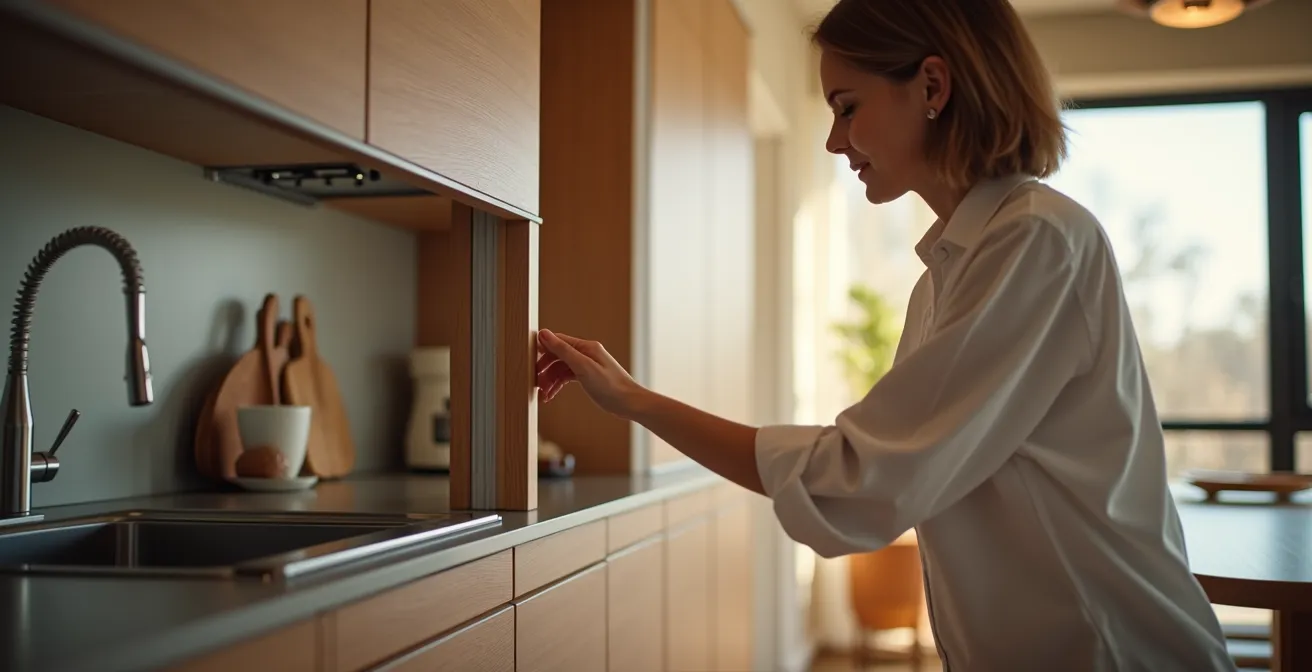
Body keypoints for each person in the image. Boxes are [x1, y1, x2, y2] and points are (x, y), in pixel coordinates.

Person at [534, 0, 1235, 669]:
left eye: (847, 108)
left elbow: (859, 479)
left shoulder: (1035, 242)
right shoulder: (945, 275)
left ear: (932, 84)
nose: (836, 140)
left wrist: (635, 401)